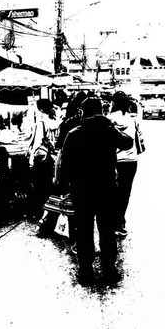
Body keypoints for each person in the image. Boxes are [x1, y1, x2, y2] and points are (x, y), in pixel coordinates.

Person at [58, 97, 133, 285]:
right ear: (101, 111)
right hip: (107, 189)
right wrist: (111, 125)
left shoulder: (74, 134)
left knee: (83, 231)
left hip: (81, 190)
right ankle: (109, 270)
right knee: (107, 230)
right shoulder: (109, 131)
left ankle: (85, 272)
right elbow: (128, 143)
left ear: (83, 112)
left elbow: (65, 164)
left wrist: (65, 186)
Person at [108, 91, 141, 238]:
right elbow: (140, 137)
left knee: (112, 191)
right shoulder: (133, 119)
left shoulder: (109, 119)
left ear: (113, 102)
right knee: (125, 192)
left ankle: (111, 221)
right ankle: (120, 222)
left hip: (112, 160)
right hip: (130, 160)